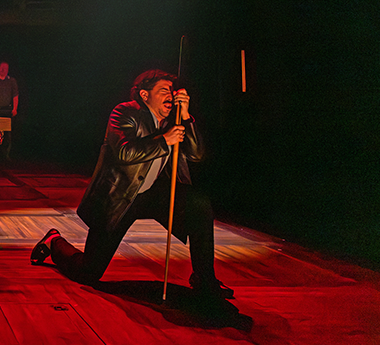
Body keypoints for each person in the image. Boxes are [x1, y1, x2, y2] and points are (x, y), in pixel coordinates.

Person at [30, 69, 234, 302]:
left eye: (172, 91)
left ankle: (205, 280)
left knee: (199, 205)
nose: (171, 95)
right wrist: (164, 139)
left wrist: (186, 116)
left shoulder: (173, 119)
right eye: (164, 91)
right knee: (88, 272)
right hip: (120, 198)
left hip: (152, 194)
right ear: (145, 95)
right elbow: (125, 153)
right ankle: (54, 241)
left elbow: (197, 154)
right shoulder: (124, 112)